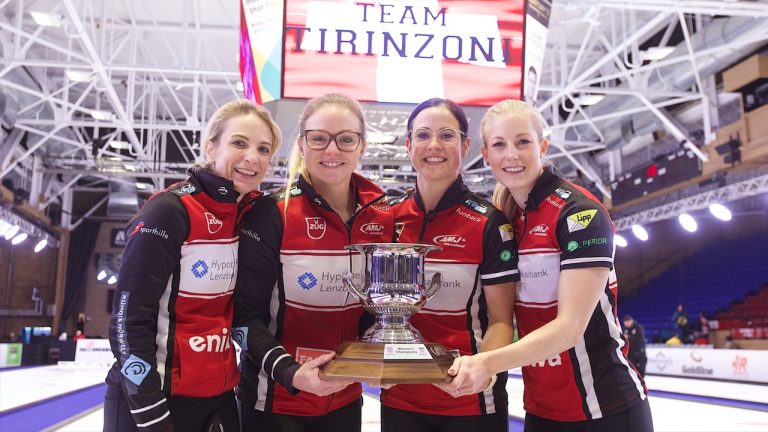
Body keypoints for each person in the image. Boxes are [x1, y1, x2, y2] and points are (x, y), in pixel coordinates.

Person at [442, 99, 652, 431]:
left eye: (523, 142)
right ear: (486, 155)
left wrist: (485, 363)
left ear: (542, 145)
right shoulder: (507, 218)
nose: (511, 154)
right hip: (542, 410)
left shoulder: (580, 213)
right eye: (500, 145)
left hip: (606, 410)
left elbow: (570, 329)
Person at [103, 99, 282, 432]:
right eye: (239, 143)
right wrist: (150, 413)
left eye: (263, 149)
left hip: (218, 396)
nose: (252, 157)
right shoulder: (169, 211)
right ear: (210, 147)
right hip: (154, 397)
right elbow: (128, 320)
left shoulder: (249, 214)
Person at [233, 93, 394, 432]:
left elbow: (373, 311)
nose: (332, 151)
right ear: (302, 145)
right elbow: (243, 319)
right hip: (273, 402)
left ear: (361, 146)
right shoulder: (271, 214)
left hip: (346, 400)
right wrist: (291, 373)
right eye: (319, 139)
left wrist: (383, 358)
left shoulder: (381, 216)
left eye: (346, 139)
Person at [380, 98, 519, 431]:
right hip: (399, 398)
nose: (434, 146)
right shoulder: (387, 219)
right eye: (423, 135)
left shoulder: (489, 224)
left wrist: (483, 371)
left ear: (465, 145)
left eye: (446, 135)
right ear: (408, 144)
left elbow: (502, 320)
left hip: (468, 403)